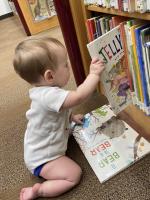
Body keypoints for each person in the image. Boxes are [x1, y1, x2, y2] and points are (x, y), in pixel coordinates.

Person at [13, 37, 104, 200]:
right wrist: (94, 74)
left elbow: (60, 111)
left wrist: (72, 117)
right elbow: (79, 96)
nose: (68, 67)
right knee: (74, 175)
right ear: (49, 76)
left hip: (41, 146)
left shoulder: (47, 92)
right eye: (66, 64)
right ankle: (39, 190)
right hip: (43, 159)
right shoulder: (48, 96)